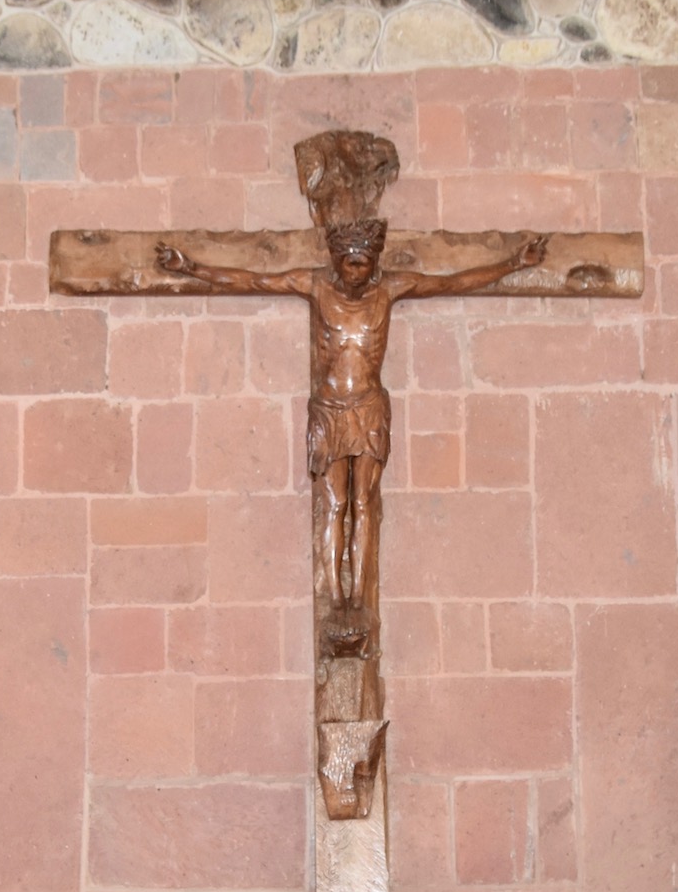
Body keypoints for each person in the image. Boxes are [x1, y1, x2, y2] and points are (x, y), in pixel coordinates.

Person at [158, 221, 547, 647]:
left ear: (374, 263)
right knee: (333, 502)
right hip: (329, 410)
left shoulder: (390, 290)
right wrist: (192, 267)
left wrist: (513, 263)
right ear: (337, 261)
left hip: (368, 408)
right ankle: (336, 599)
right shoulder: (314, 285)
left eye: (364, 264)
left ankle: (360, 598)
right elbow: (252, 279)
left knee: (364, 503)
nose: (356, 273)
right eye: (349, 264)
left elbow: (452, 282)